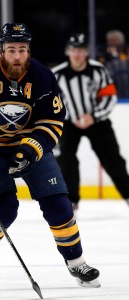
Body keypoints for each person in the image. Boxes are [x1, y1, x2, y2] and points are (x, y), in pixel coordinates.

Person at [0, 23, 100, 288]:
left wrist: (30, 148)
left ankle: (76, 263)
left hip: (28, 147)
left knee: (60, 205)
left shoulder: (43, 77)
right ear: (1, 50)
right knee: (5, 208)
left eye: (22, 50)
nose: (17, 56)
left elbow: (52, 121)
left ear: (29, 51)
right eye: (12, 49)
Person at [52, 33, 129, 213]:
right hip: (69, 123)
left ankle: (128, 194)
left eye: (80, 50)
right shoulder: (57, 75)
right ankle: (71, 201)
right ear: (67, 52)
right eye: (73, 50)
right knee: (66, 159)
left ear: (86, 52)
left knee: (113, 159)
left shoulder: (98, 70)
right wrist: (71, 117)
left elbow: (109, 97)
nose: (77, 54)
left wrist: (93, 116)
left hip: (97, 121)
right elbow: (51, 103)